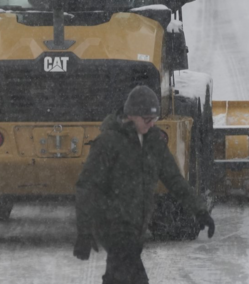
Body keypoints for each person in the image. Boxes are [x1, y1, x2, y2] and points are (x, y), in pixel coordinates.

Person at [73, 85, 215, 284]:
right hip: (112, 224)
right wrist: (84, 231)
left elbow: (174, 179)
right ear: (131, 115)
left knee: (117, 277)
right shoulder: (109, 142)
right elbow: (86, 187)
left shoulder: (154, 142)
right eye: (147, 120)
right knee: (133, 275)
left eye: (154, 120)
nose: (151, 125)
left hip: (137, 225)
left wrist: (200, 211)